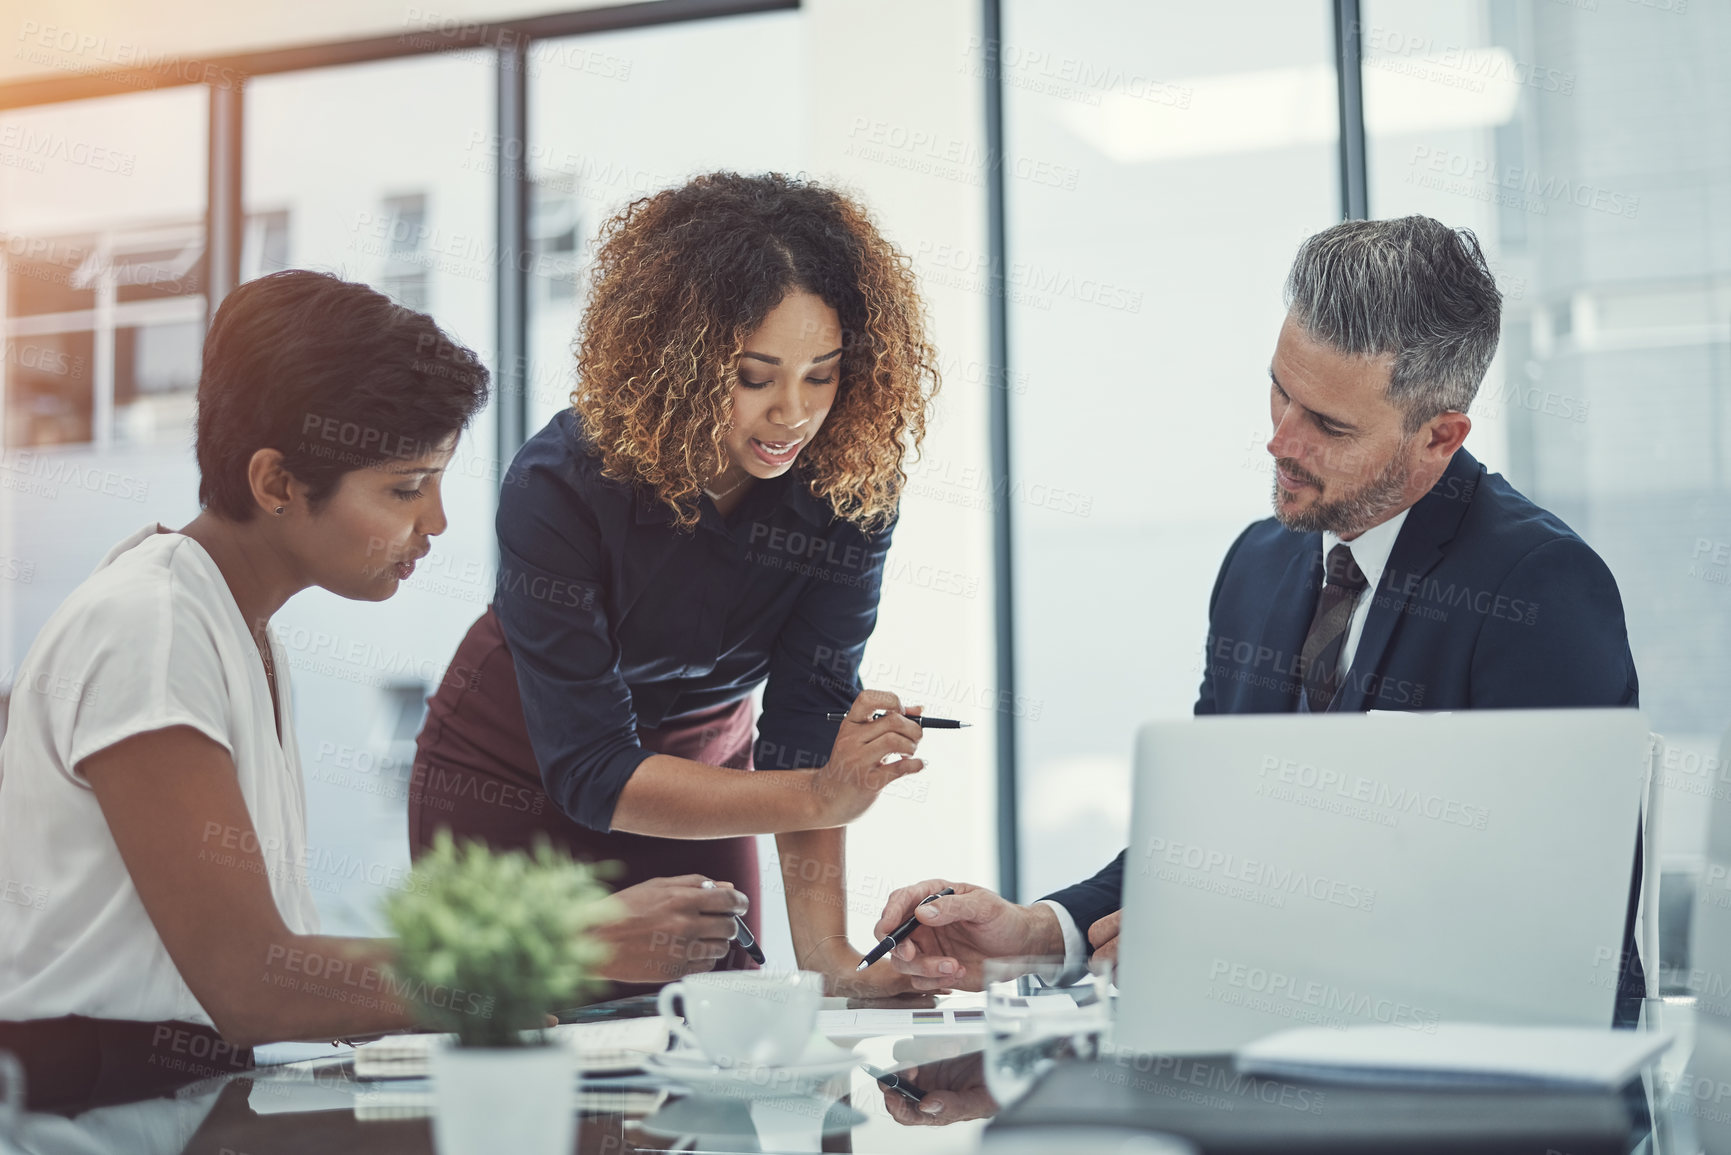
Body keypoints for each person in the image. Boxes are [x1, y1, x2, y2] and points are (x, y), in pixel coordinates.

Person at [872, 215, 1646, 1023]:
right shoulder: (1260, 562)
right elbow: (1204, 839)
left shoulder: (1539, 586)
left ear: (1439, 437)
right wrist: (1039, 933)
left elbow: (1552, 918)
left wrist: (1236, 944)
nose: (1279, 438)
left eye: (1329, 424)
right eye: (1280, 388)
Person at [0, 271, 747, 1106]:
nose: (434, 521)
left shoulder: (238, 628)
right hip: (99, 1107)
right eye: (404, 487)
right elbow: (251, 982)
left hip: (195, 1095)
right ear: (277, 483)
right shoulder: (152, 623)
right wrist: (572, 941)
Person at [409, 172, 941, 993]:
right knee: (526, 1058)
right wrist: (820, 793)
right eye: (754, 376)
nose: (792, 414)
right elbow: (589, 767)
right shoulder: (558, 483)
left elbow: (805, 720)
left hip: (708, 777)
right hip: (511, 771)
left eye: (822, 373)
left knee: (718, 1051)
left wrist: (829, 958)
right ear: (676, 360)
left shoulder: (849, 489)